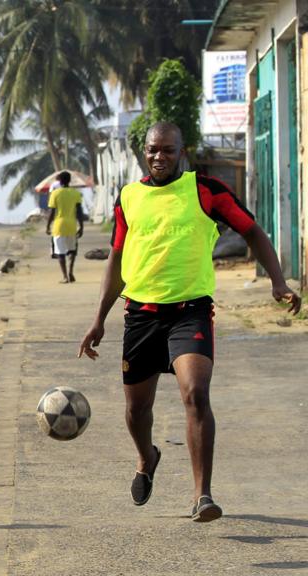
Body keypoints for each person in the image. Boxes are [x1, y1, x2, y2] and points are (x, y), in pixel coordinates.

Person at [79, 122, 302, 523]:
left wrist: (278, 280)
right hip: (141, 314)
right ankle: (147, 457)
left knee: (196, 393)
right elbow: (116, 258)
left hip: (190, 310)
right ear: (143, 152)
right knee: (136, 410)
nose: (159, 157)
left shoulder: (206, 190)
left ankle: (203, 496)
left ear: (183, 152)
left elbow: (252, 231)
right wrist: (99, 319)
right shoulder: (129, 197)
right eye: (152, 150)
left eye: (167, 150)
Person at [45, 171, 84, 283]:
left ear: (60, 181)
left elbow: (52, 212)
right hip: (72, 225)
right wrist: (81, 226)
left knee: (60, 252)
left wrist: (48, 226)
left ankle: (65, 276)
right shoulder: (75, 193)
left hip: (59, 226)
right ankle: (71, 272)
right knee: (72, 250)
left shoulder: (55, 194)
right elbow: (79, 211)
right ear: (69, 180)